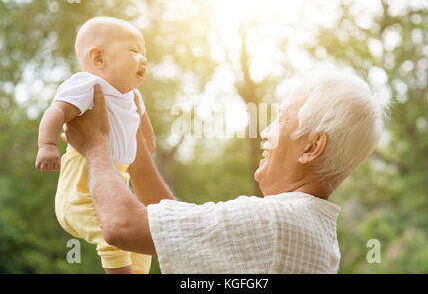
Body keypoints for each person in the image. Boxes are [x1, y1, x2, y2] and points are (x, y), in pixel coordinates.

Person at [62, 71, 388, 273]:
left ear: (312, 147)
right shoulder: (306, 225)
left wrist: (97, 146)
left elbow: (122, 226)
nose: (264, 132)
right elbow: (171, 229)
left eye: (281, 120)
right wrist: (130, 139)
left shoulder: (280, 222)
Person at [35, 17, 156, 274]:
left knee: (144, 237)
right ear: (98, 59)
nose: (143, 59)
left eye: (145, 54)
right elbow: (55, 112)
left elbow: (144, 131)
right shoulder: (87, 84)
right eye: (134, 51)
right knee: (115, 236)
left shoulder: (134, 95)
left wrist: (147, 143)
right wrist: (47, 145)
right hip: (80, 189)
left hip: (116, 181)